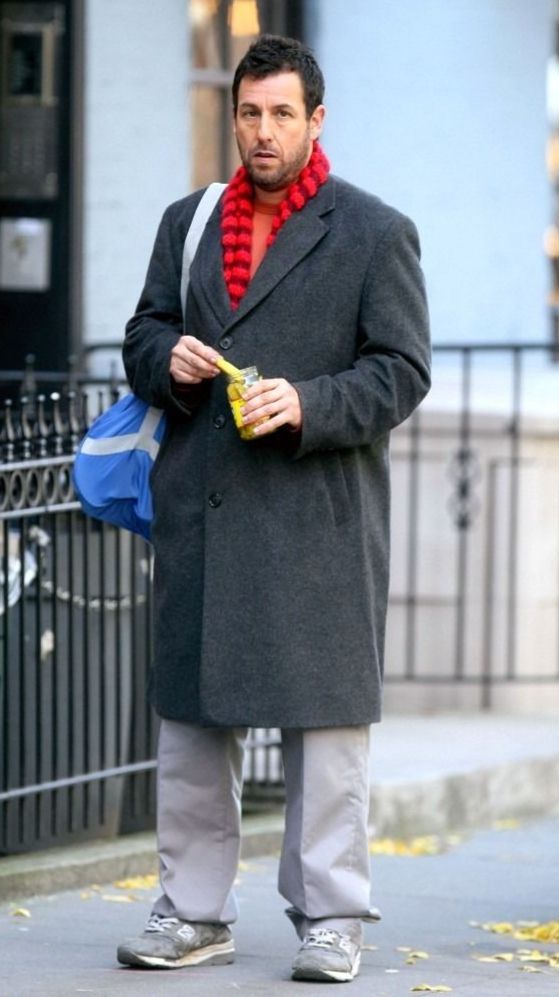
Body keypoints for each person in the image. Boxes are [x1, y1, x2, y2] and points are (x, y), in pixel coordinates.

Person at [117, 34, 431, 984]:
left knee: (327, 730)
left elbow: (403, 370)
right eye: (249, 112)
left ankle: (332, 916)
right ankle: (193, 909)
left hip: (316, 520)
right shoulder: (190, 220)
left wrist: (308, 402)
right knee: (191, 723)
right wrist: (161, 360)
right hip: (204, 512)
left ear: (316, 119)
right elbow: (143, 329)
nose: (262, 131)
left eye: (282, 114)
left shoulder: (375, 231)